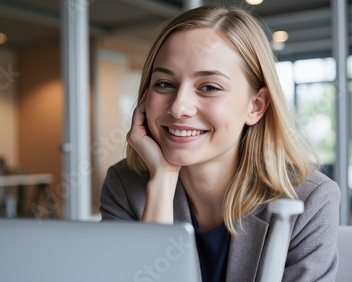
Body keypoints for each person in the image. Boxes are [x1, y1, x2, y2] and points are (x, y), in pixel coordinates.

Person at [99, 5, 341, 282]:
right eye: (165, 84)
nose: (179, 108)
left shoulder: (310, 200)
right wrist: (163, 179)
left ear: (256, 106)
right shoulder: (124, 185)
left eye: (209, 87)